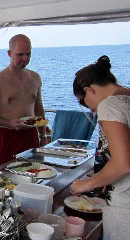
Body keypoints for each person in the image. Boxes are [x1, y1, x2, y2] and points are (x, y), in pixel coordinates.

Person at [70, 55, 130, 240]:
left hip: (124, 205)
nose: (90, 110)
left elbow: (122, 164)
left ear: (89, 90)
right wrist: (105, 178)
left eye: (83, 101)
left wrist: (88, 183)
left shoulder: (109, 106)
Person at [0, 34, 46, 169]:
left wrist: (43, 135)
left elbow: (39, 109)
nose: (25, 58)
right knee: (3, 182)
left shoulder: (35, 78)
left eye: (28, 54)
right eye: (20, 54)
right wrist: (9, 124)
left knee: (33, 177)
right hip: (5, 138)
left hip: (30, 136)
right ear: (10, 53)